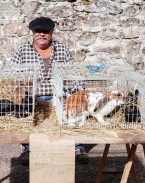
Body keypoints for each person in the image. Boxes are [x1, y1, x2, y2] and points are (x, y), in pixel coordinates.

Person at [11, 16, 89, 166]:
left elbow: (74, 72)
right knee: (23, 110)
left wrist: (79, 91)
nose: (41, 34)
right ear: (33, 33)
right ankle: (27, 149)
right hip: (33, 96)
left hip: (59, 95)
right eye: (38, 31)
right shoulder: (23, 50)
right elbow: (10, 72)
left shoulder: (61, 49)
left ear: (51, 32)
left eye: (45, 31)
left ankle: (78, 148)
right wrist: (20, 89)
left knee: (74, 110)